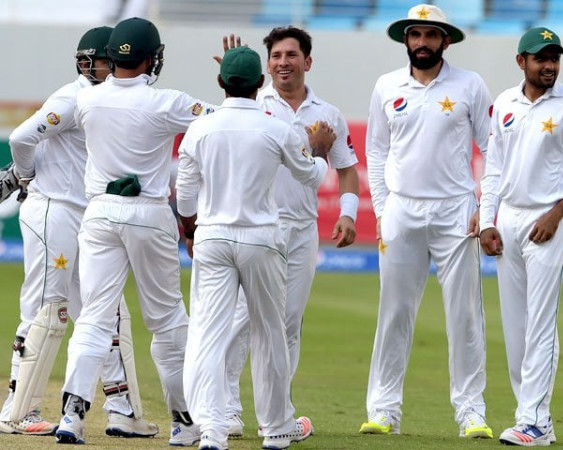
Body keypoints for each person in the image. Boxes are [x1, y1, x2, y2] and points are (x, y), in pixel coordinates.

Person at [54, 17, 217, 446]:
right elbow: (221, 121)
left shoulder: (87, 100)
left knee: (94, 317)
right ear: (150, 59)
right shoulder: (166, 101)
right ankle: (183, 422)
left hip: (100, 213)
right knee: (167, 321)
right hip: (148, 212)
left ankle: (71, 417)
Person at [0, 26, 157, 439]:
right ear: (89, 62)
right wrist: (24, 175)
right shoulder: (71, 98)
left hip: (84, 218)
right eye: (107, 61)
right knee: (46, 310)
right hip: (54, 212)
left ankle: (122, 411)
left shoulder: (107, 100)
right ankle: (18, 410)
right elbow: (22, 136)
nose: (113, 68)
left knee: (107, 312)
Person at [177, 45, 334, 450]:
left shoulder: (200, 128)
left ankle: (211, 431)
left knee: (206, 334)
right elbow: (311, 177)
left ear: (220, 83)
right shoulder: (276, 128)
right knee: (270, 334)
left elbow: (186, 196)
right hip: (261, 239)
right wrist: (319, 152)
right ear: (261, 82)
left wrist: (191, 231)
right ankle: (277, 430)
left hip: (213, 236)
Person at [360, 3, 494, 439]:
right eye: (415, 35)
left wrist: (485, 206)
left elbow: (492, 149)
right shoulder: (386, 85)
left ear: (445, 41)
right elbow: (376, 151)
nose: (422, 42)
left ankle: (471, 411)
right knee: (394, 312)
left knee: (465, 315)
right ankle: (384, 410)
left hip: (456, 210)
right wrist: (382, 210)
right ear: (406, 39)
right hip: (401, 210)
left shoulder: (470, 84)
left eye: (431, 35)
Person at [222, 26, 360, 437]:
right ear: (266, 66)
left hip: (301, 230)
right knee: (241, 320)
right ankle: (228, 409)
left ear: (307, 61)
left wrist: (348, 214)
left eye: (291, 55)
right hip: (257, 226)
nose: (283, 63)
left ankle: (278, 414)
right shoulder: (252, 103)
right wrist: (231, 77)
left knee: (287, 324)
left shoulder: (327, 114)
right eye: (276, 56)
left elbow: (347, 170)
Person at [479, 27, 563, 447]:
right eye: (540, 58)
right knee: (515, 327)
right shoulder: (504, 103)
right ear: (521, 62)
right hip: (509, 218)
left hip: (549, 219)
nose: (549, 66)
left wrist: (559, 211)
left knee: (541, 323)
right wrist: (487, 220)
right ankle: (535, 421)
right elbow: (493, 167)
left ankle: (531, 418)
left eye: (554, 58)